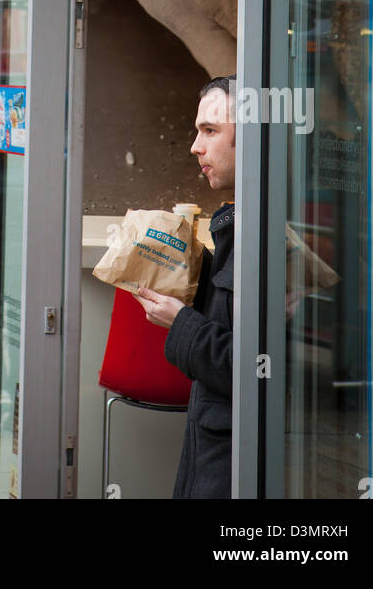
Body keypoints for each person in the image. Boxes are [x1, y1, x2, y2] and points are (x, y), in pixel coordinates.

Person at [134, 76, 236, 499]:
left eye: (210, 131)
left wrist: (180, 323)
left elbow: (256, 369)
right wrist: (191, 272)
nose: (195, 146)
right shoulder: (242, 220)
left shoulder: (277, 238)